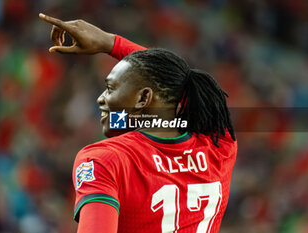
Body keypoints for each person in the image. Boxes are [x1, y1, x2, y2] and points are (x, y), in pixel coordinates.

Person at [39, 13, 237, 233]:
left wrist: (109, 43)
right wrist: (109, 43)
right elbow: (180, 86)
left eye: (111, 88)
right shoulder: (219, 145)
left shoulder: (105, 160)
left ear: (143, 98)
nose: (101, 98)